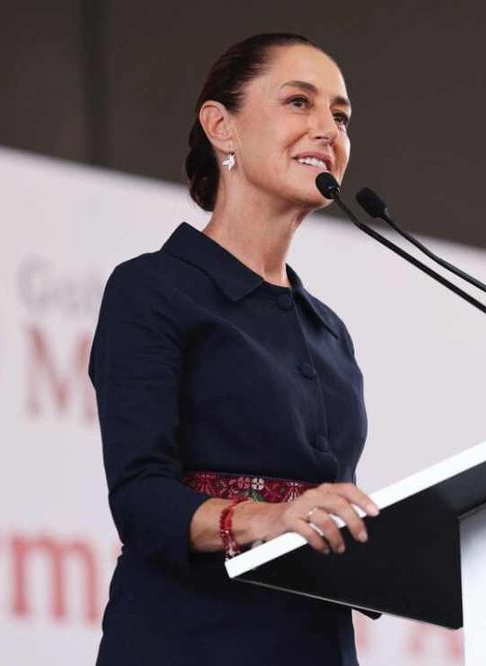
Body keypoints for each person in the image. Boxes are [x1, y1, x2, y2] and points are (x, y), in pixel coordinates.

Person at [89, 33, 379, 665]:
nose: (327, 128)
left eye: (341, 116)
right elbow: (141, 498)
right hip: (190, 640)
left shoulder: (329, 332)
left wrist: (392, 555)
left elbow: (332, 509)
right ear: (221, 126)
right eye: (298, 102)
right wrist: (270, 519)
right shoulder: (153, 288)